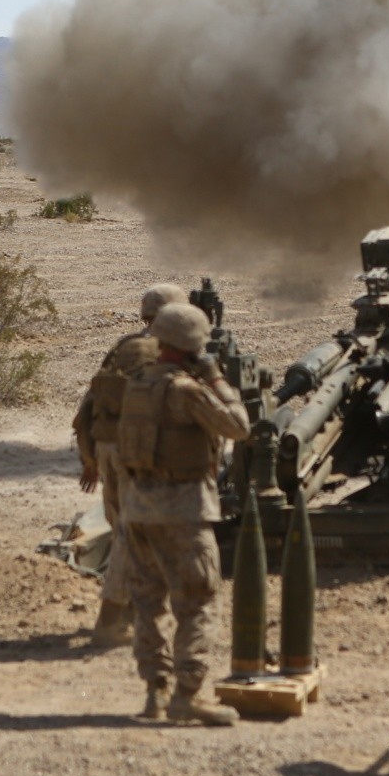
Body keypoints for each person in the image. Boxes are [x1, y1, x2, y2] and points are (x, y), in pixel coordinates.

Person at [118, 302, 250, 726]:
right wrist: (215, 378)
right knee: (196, 602)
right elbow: (237, 426)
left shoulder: (136, 385)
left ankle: (154, 692)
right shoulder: (185, 390)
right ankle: (188, 695)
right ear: (194, 347)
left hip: (137, 510)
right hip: (183, 510)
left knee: (147, 603)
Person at [73, 283, 186, 646]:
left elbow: (90, 404)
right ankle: (110, 620)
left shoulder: (124, 347)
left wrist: (90, 456)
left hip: (106, 448)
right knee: (131, 534)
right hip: (134, 453)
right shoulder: (161, 353)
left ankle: (131, 615)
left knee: (125, 529)